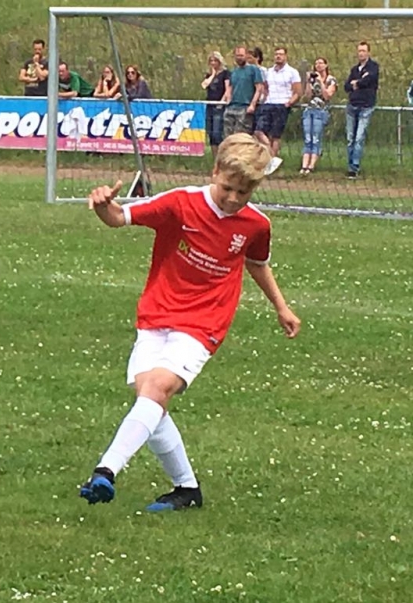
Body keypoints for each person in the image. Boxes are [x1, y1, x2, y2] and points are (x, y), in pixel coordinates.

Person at [79, 132, 301, 512]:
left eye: (244, 192)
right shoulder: (180, 203)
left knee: (157, 389)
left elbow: (257, 263)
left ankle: (106, 471)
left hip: (204, 323)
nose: (234, 198)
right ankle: (187, 489)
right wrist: (103, 205)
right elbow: (118, 218)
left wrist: (282, 307)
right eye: (228, 187)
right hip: (156, 313)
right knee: (150, 398)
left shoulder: (256, 225)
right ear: (214, 172)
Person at [255, 47, 300, 160]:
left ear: (285, 56)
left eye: (281, 54)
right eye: (276, 54)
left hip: (281, 104)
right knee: (259, 131)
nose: (278, 56)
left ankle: (272, 160)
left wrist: (289, 103)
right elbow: (265, 87)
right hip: (268, 103)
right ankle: (270, 155)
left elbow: (297, 91)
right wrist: (264, 99)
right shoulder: (269, 71)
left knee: (275, 135)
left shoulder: (292, 72)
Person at [344, 41, 379, 179]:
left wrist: (357, 82)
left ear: (368, 52)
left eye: (363, 51)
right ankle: (349, 165)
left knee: (359, 138)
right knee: (350, 138)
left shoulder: (373, 67)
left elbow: (368, 81)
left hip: (366, 106)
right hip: (352, 105)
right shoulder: (354, 69)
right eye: (359, 51)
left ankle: (354, 167)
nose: (361, 53)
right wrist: (357, 82)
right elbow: (346, 86)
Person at [300, 58, 337, 175]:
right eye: (316, 63)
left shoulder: (331, 80)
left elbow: (327, 96)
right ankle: (304, 165)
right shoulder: (312, 79)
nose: (318, 65)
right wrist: (308, 82)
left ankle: (311, 165)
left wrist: (321, 82)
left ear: (326, 65)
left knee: (315, 138)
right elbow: (307, 96)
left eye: (321, 63)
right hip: (309, 109)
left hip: (321, 111)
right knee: (308, 138)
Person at [224, 46, 264, 138]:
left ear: (246, 55)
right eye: (237, 55)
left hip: (245, 107)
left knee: (241, 136)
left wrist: (252, 105)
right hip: (232, 107)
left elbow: (259, 88)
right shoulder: (234, 71)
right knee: (228, 137)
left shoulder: (253, 70)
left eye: (241, 55)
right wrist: (228, 98)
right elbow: (230, 86)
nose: (239, 58)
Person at [201, 51, 230, 155]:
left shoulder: (225, 73)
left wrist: (222, 102)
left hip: (219, 106)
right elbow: (204, 85)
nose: (213, 63)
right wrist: (213, 74)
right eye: (211, 61)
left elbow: (228, 89)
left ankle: (221, 156)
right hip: (210, 105)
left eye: (215, 61)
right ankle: (215, 158)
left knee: (217, 133)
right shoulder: (209, 74)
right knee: (211, 134)